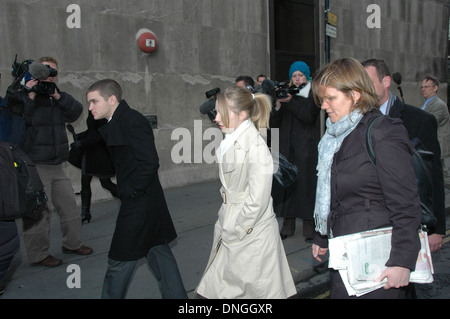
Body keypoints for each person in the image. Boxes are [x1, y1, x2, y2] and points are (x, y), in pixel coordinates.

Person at [311, 58, 422, 299]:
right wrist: (321, 234)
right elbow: (333, 191)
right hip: (345, 253)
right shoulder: (333, 137)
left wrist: (401, 262)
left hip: (379, 263)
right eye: (322, 99)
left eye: (331, 98)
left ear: (355, 94)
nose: (324, 106)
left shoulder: (382, 132)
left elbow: (405, 202)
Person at [86, 79, 187, 299]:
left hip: (139, 203)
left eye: (94, 101)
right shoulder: (112, 122)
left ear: (111, 99)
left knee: (119, 260)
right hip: (144, 202)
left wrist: (129, 191)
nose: (90, 107)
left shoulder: (132, 121)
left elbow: (149, 163)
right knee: (159, 254)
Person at [196, 86, 296, 299]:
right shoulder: (231, 139)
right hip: (232, 226)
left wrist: (237, 228)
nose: (216, 118)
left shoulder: (255, 146)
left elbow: (258, 200)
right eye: (216, 112)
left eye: (222, 113)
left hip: (249, 233)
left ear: (242, 114)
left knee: (246, 294)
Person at [14, 56, 92, 267]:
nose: (49, 75)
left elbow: (75, 111)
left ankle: (72, 244)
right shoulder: (26, 95)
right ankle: (38, 255)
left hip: (57, 164)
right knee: (39, 213)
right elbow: (19, 118)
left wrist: (56, 94)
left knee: (69, 207)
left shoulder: (55, 97)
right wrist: (29, 93)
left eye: (53, 72)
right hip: (35, 164)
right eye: (45, 70)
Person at [362, 59, 446, 252]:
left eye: (369, 82)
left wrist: (436, 228)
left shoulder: (419, 121)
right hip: (369, 224)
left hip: (408, 223)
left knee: (403, 280)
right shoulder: (355, 121)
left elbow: (433, 176)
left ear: (386, 82)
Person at [270, 61, 320, 241]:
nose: (297, 79)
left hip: (305, 148)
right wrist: (276, 107)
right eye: (294, 76)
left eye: (300, 75)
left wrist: (290, 102)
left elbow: (307, 117)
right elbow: (273, 125)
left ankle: (309, 228)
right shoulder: (284, 94)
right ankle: (287, 226)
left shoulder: (312, 94)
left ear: (306, 76)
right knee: (287, 187)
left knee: (306, 187)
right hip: (286, 148)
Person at [71, 111, 118, 224]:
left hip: (100, 154)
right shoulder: (92, 112)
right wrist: (80, 136)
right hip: (89, 154)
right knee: (85, 183)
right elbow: (91, 131)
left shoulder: (103, 114)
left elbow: (99, 135)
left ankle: (126, 197)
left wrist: (82, 142)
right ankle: (85, 212)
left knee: (105, 183)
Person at [420, 75, 450, 190]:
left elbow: (429, 122)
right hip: (432, 146)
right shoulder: (426, 103)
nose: (423, 89)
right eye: (422, 87)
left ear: (435, 88)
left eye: (427, 87)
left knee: (445, 176)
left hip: (440, 147)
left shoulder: (439, 105)